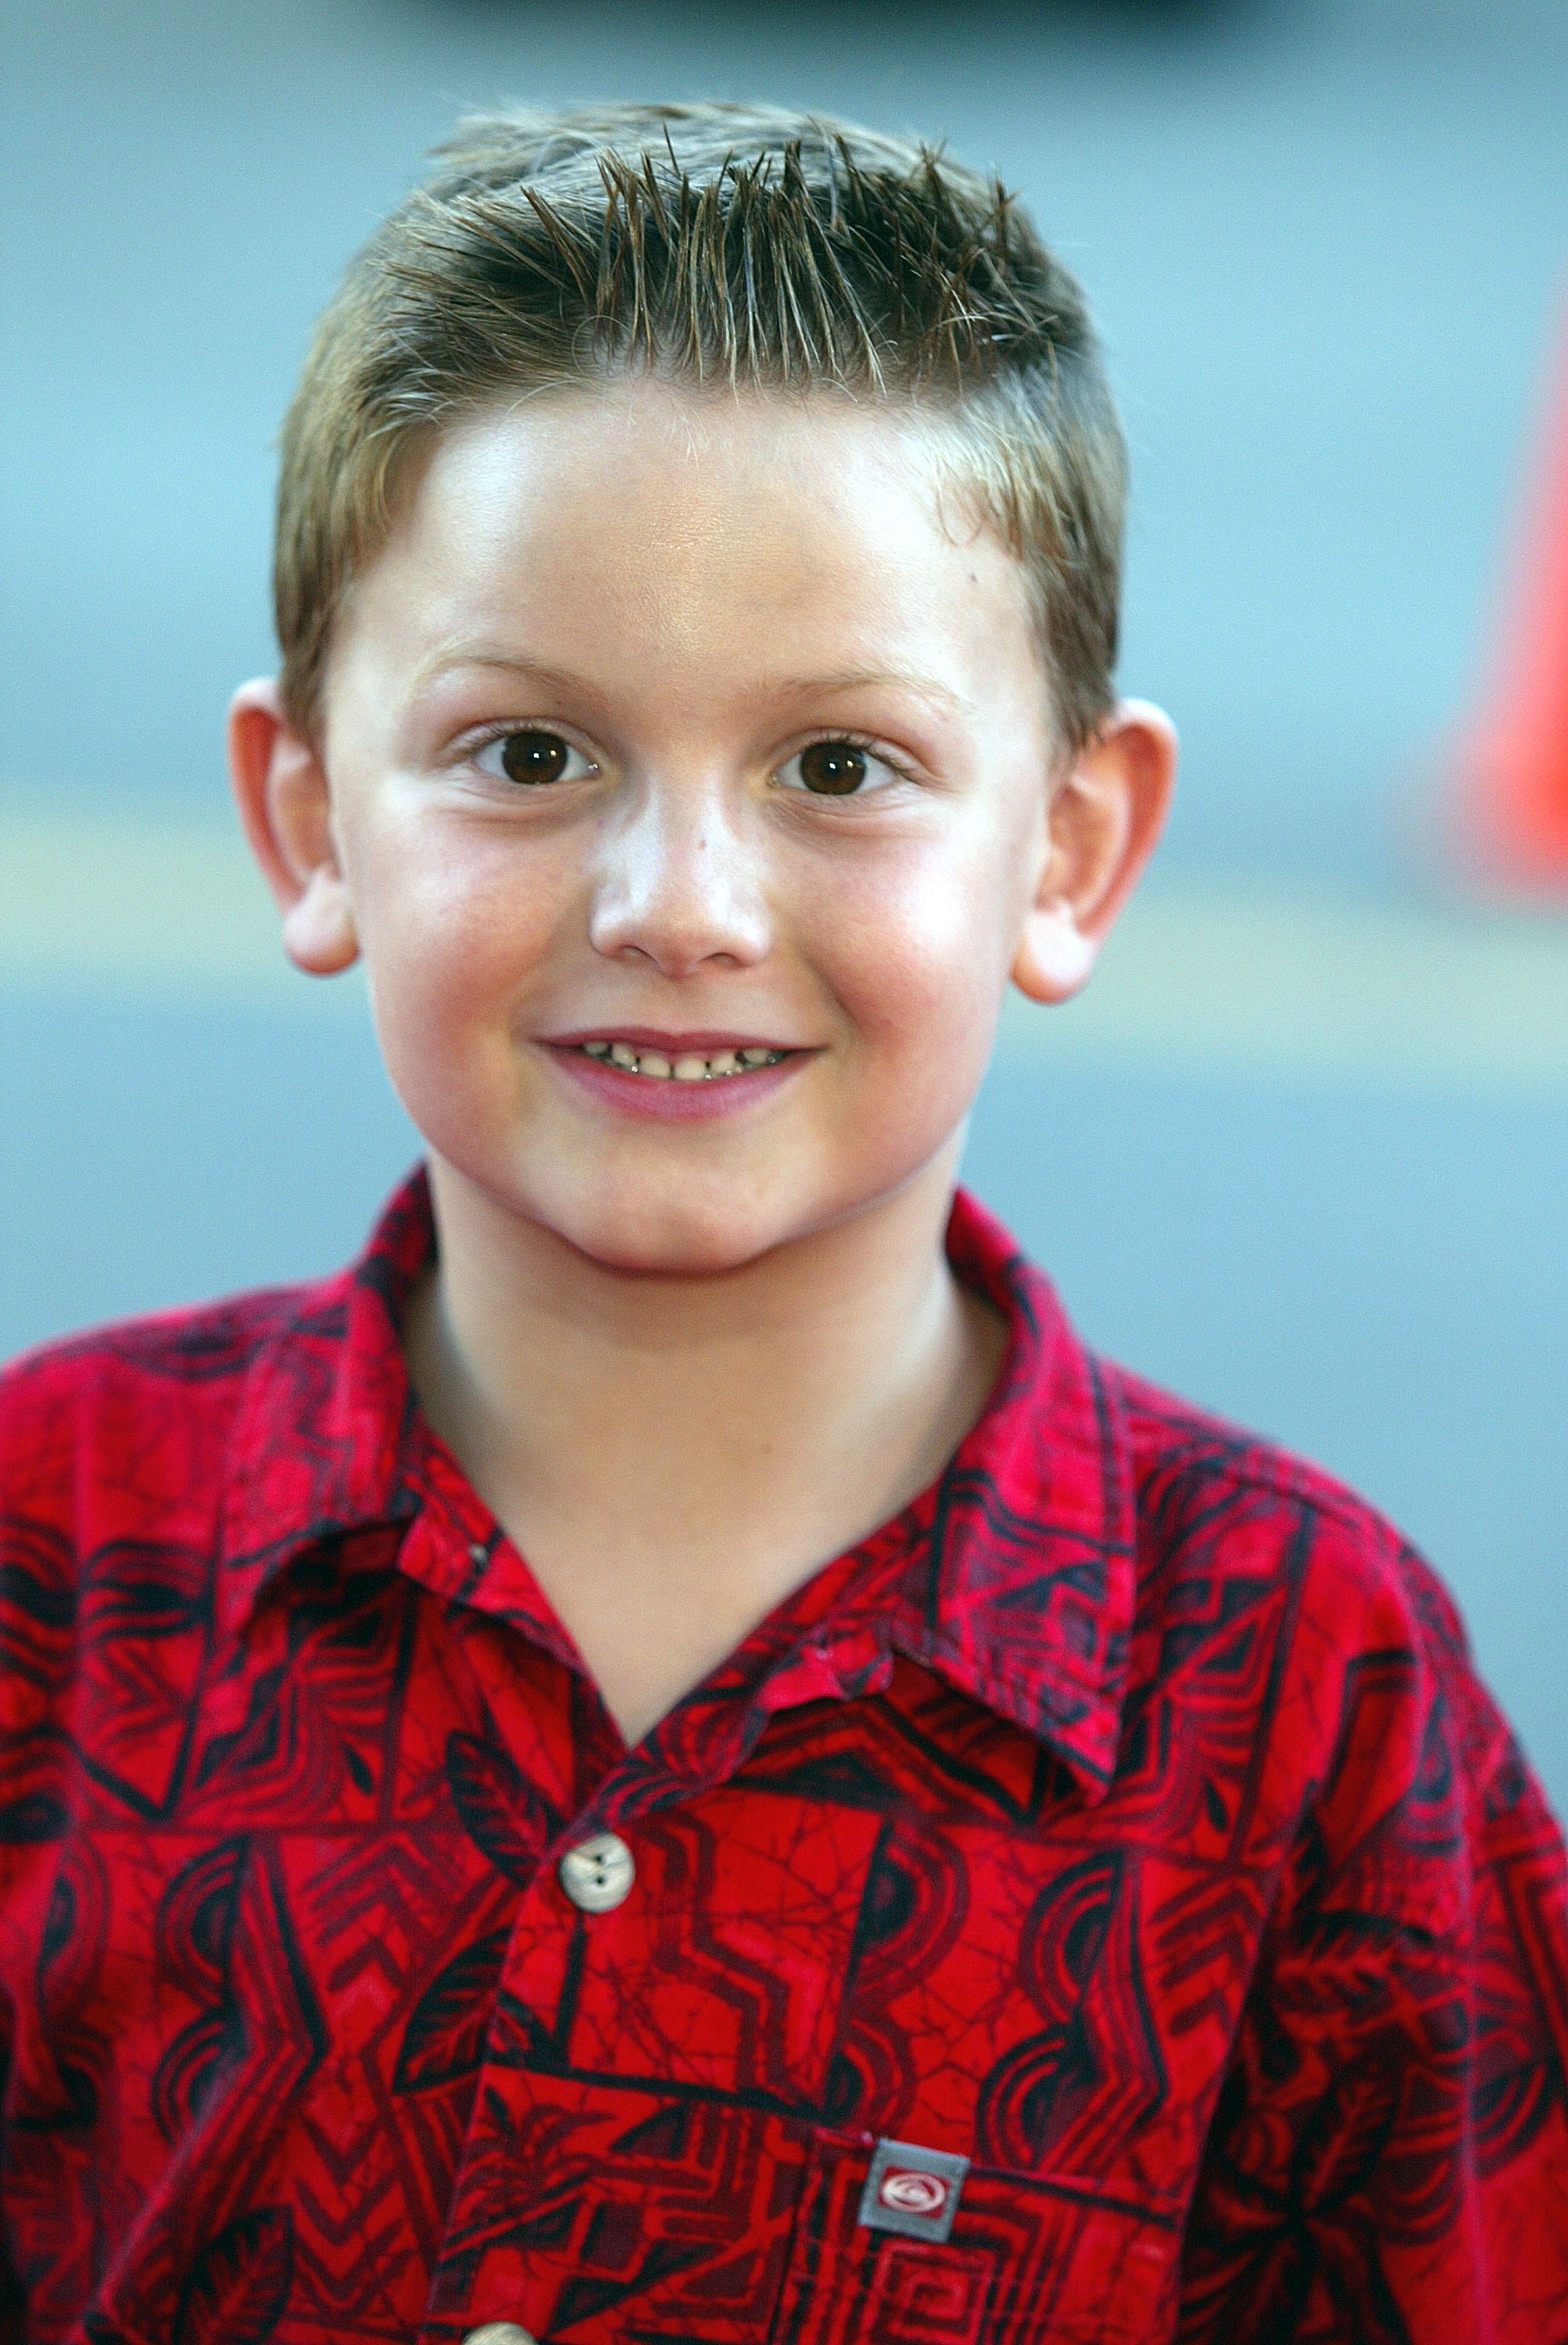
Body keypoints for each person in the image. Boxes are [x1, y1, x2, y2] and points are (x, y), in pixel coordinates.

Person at [0, 103, 1563, 2345]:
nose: (681, 911)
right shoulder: (52, 1555)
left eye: (839, 766)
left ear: (1071, 849)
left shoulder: (1320, 1706)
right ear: (305, 815)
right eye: (529, 756)